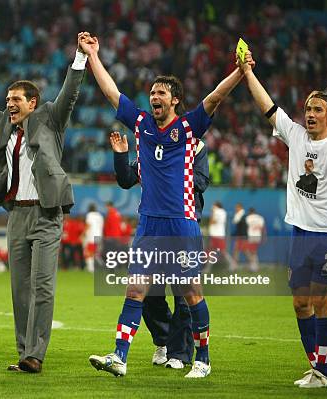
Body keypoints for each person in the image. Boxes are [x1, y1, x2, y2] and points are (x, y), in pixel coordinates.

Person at [83, 34, 246, 378]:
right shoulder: (141, 124)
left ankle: (202, 359)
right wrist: (93, 55)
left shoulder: (188, 128)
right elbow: (112, 93)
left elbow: (215, 98)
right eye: (152, 93)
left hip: (181, 222)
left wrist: (240, 72)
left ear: (175, 100)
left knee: (191, 293)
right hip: (149, 224)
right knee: (136, 289)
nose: (154, 97)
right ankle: (119, 356)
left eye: (161, 93)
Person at [0, 32, 90, 373]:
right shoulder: (4, 124)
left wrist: (80, 58)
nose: (10, 104)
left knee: (42, 286)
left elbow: (69, 94)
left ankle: (35, 355)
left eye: (16, 99)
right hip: (16, 215)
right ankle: (23, 352)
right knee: (20, 290)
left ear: (32, 103)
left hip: (46, 214)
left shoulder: (50, 119)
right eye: (8, 98)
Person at [241, 51, 327, 388]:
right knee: (301, 303)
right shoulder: (296, 136)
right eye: (307, 109)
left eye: (317, 110)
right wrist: (247, 72)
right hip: (300, 232)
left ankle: (322, 372)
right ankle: (316, 365)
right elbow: (268, 107)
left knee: (321, 301)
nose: (310, 114)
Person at [109, 131, 210, 369]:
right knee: (148, 294)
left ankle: (181, 353)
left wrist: (167, 175)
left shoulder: (196, 146)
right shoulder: (152, 146)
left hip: (182, 224)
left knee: (183, 294)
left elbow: (202, 180)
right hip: (154, 227)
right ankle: (163, 340)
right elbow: (125, 180)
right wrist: (121, 156)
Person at [83, 203, 104, 272]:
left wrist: (83, 234)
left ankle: (91, 268)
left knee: (89, 252)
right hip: (99, 236)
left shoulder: (89, 215)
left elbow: (88, 225)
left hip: (91, 236)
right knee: (96, 253)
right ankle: (100, 266)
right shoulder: (100, 216)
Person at [243, 207, 265, 272]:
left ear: (249, 212)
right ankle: (254, 267)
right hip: (258, 236)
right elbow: (262, 228)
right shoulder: (260, 218)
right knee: (253, 252)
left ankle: (254, 267)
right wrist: (263, 237)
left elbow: (246, 228)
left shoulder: (248, 218)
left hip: (251, 236)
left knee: (250, 252)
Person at [230, 203, 247, 271]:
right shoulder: (240, 215)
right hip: (240, 236)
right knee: (237, 251)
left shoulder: (242, 216)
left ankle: (253, 265)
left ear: (240, 208)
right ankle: (234, 266)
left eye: (237, 208)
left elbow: (242, 227)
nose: (235, 209)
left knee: (245, 251)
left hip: (242, 236)